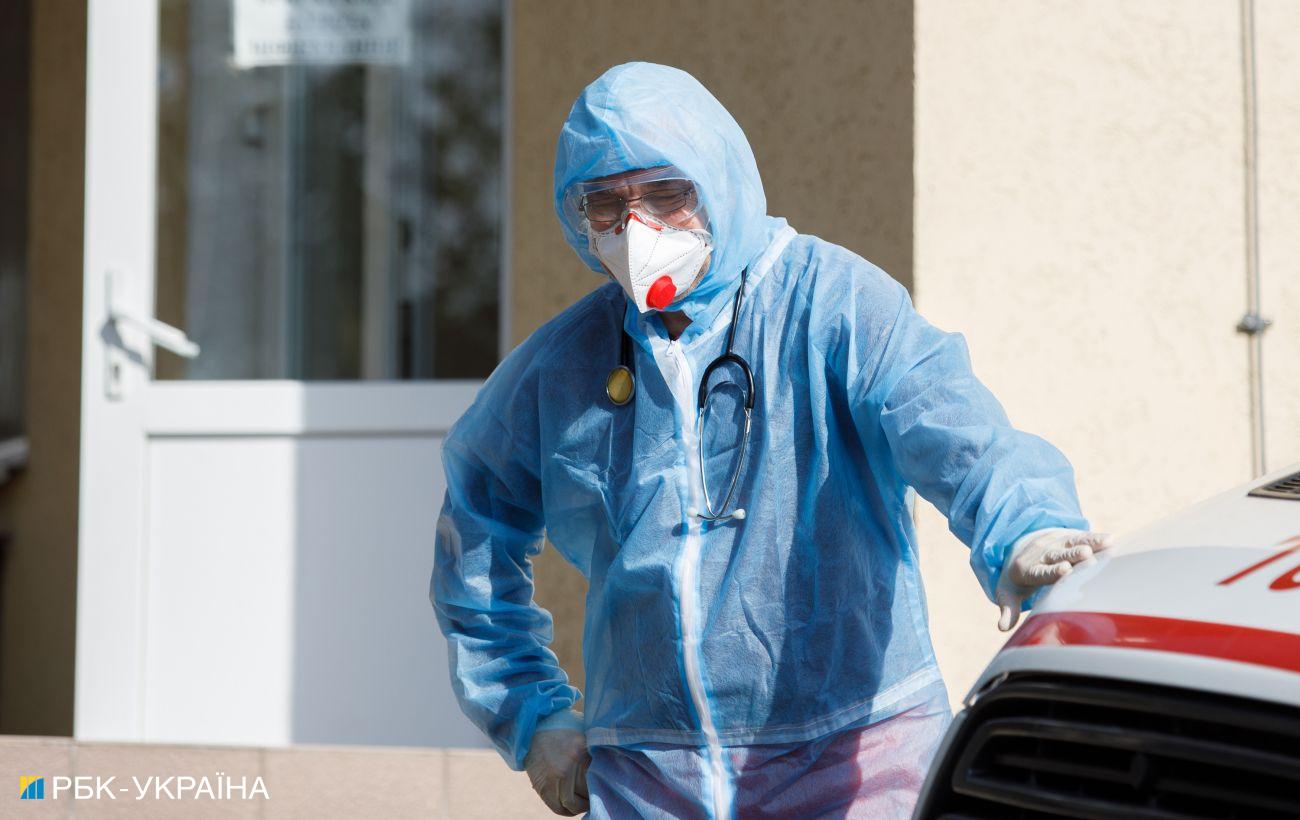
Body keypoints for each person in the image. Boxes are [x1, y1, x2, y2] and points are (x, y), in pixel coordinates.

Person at [431, 62, 1110, 818]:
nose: (636, 227)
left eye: (666, 192)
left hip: (854, 759)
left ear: (718, 179)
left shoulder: (830, 303)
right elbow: (477, 525)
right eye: (606, 203)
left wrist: (1023, 528)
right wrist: (532, 714)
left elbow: (948, 420)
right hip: (651, 772)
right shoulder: (567, 363)